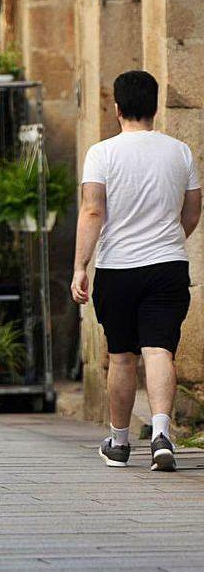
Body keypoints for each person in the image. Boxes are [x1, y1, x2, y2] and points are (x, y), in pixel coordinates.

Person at [72, 70, 201, 472]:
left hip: (118, 268)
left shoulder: (102, 153)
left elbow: (93, 210)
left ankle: (120, 442)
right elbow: (193, 209)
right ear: (155, 106)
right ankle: (163, 433)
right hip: (168, 265)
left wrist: (80, 265)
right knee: (160, 348)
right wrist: (169, 239)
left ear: (117, 108)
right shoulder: (180, 152)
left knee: (123, 356)